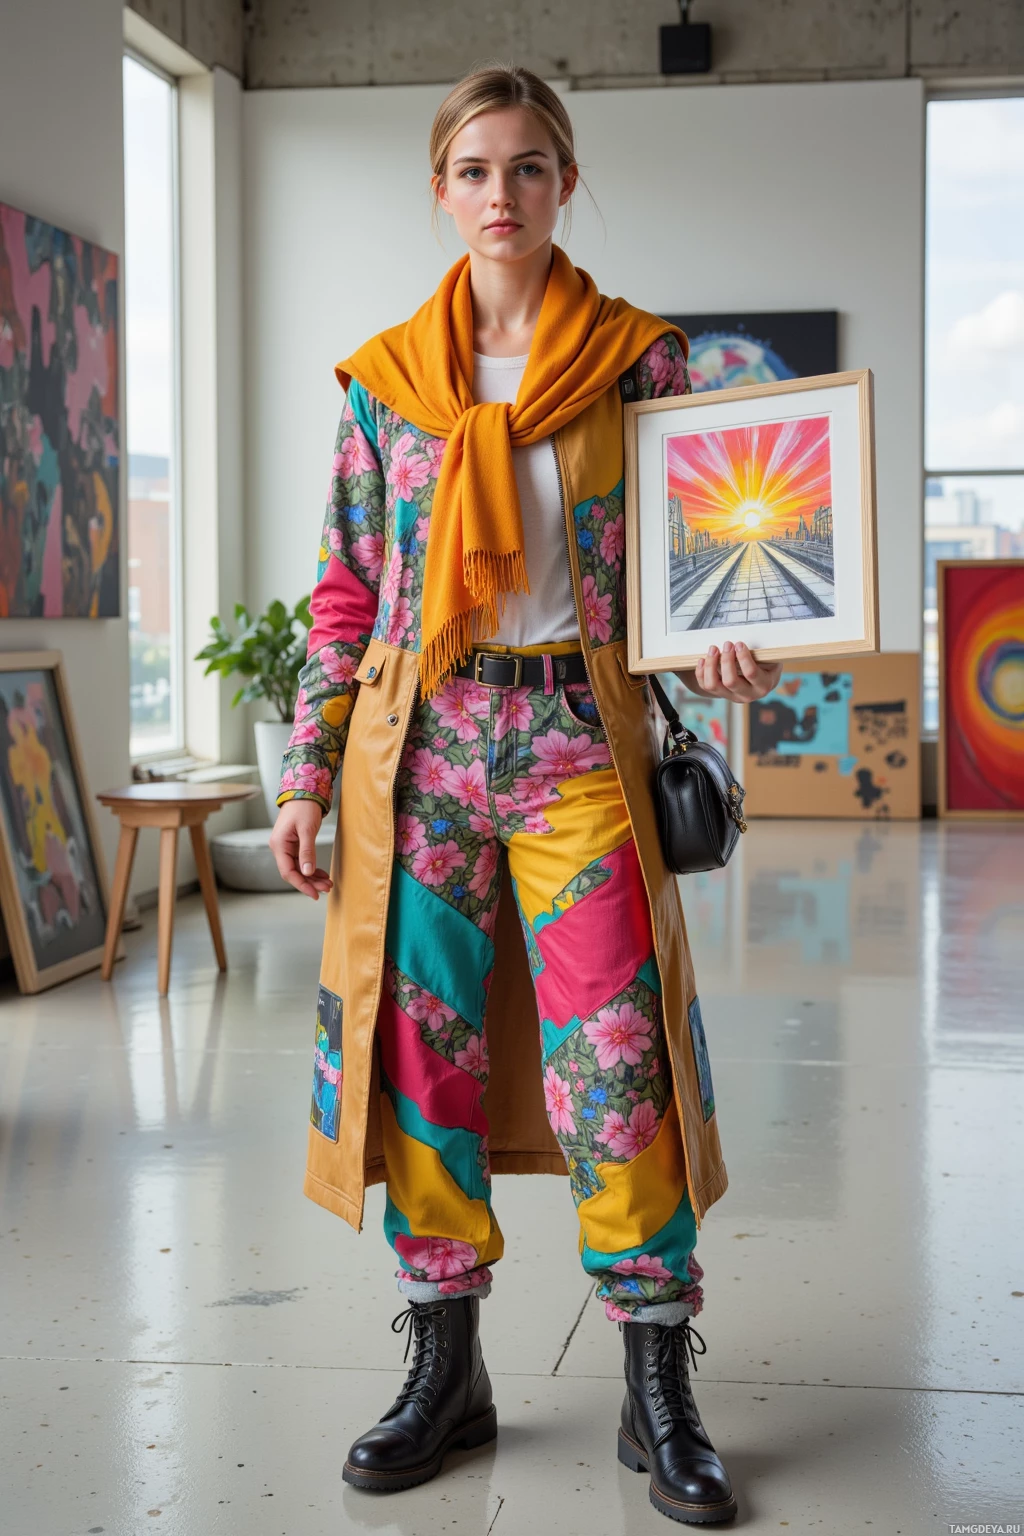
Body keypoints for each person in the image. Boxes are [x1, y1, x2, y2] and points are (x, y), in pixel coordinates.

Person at [270, 63, 780, 1525]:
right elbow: (348, 592)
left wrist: (724, 632)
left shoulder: (639, 364)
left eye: (534, 167)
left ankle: (655, 1373)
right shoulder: (384, 383)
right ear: (443, 190)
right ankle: (446, 1361)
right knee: (422, 1055)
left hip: (576, 746)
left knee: (618, 1060)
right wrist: (307, 777)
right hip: (420, 752)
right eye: (478, 169)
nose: (505, 194)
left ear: (569, 183)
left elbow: (697, 563)